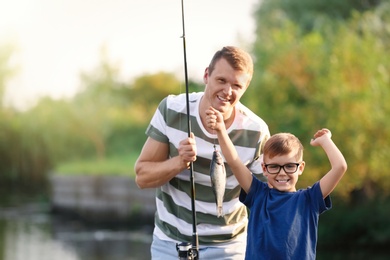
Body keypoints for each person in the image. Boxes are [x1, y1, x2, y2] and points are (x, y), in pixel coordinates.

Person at [134, 46, 270, 259]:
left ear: (246, 87)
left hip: (228, 246)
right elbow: (142, 177)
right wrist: (179, 162)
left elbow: (265, 197)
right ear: (207, 75)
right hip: (171, 243)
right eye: (222, 81)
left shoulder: (256, 131)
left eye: (236, 85)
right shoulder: (172, 109)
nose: (228, 91)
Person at [206, 106, 347, 259]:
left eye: (290, 166)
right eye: (274, 166)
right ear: (264, 169)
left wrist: (326, 141)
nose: (282, 173)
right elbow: (234, 162)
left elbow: (340, 167)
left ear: (301, 168)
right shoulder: (258, 194)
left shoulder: (309, 199)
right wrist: (220, 130)